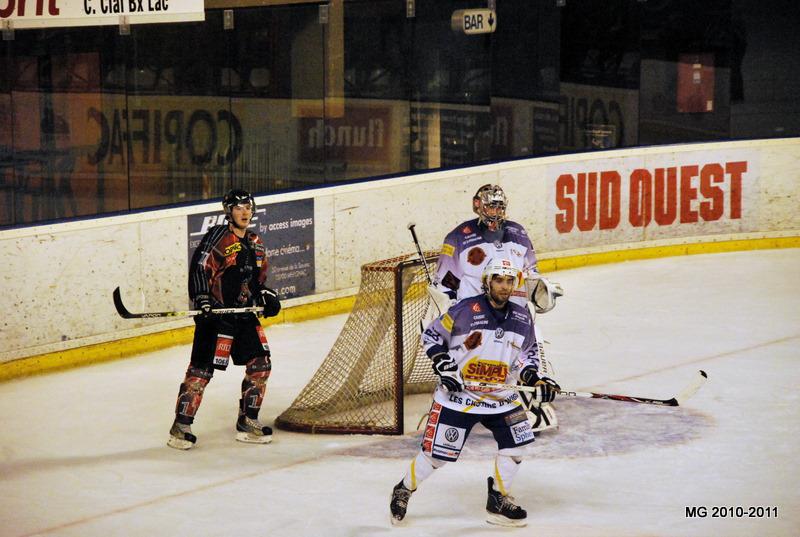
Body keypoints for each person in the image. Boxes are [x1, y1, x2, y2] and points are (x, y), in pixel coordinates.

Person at [390, 259, 560, 527]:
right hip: (461, 398)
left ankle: (498, 499)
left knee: (517, 445)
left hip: (501, 398)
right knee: (436, 457)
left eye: (509, 281)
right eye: (498, 280)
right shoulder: (465, 310)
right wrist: (444, 365)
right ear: (487, 282)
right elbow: (432, 336)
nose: (504, 287)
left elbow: (526, 357)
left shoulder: (521, 317)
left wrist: (534, 379)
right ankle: (404, 488)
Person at [430, 183, 563, 431]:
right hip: (475, 315)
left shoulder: (518, 232)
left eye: (500, 207)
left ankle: (532, 402)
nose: (496, 212)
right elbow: (445, 282)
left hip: (515, 310)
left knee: (527, 352)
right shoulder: (458, 237)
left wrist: (541, 289)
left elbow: (531, 272)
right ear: (477, 205)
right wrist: (452, 313)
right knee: (480, 362)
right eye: (491, 206)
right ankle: (458, 404)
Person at [167, 188, 282, 450]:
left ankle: (247, 421)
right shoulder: (218, 236)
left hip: (243, 315)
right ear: (228, 211)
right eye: (239, 207)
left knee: (261, 364)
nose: (245, 212)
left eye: (248, 207)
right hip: (216, 316)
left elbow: (256, 281)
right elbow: (200, 267)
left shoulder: (255, 241)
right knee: (201, 372)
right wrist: (202, 298)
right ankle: (181, 427)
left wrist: (266, 296)